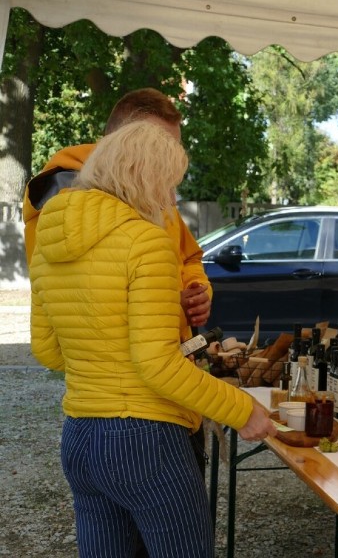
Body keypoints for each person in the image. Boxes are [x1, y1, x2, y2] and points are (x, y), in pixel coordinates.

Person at [29, 120, 277, 558]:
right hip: (145, 441)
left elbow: (48, 351)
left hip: (80, 436)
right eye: (170, 185)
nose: (172, 198)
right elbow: (158, 365)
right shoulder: (146, 241)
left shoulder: (48, 238)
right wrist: (243, 410)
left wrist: (106, 353)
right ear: (147, 179)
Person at [23, 88, 213, 474]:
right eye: (159, 147)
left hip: (168, 396)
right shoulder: (60, 193)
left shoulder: (152, 187)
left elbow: (188, 256)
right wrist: (245, 412)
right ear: (122, 140)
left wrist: (197, 289)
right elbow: (72, 309)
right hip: (136, 405)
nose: (169, 168)